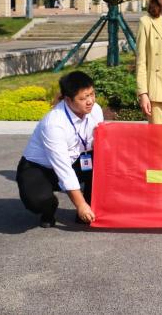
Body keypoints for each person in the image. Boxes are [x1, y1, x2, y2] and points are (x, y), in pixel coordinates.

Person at [16, 71, 102, 228]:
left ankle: (89, 210)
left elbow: (98, 143)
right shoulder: (54, 124)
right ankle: (49, 209)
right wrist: (80, 204)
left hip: (78, 158)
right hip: (41, 168)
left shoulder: (95, 110)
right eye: (83, 98)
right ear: (68, 100)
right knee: (37, 201)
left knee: (104, 162)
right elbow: (63, 168)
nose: (90, 101)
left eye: (92, 94)